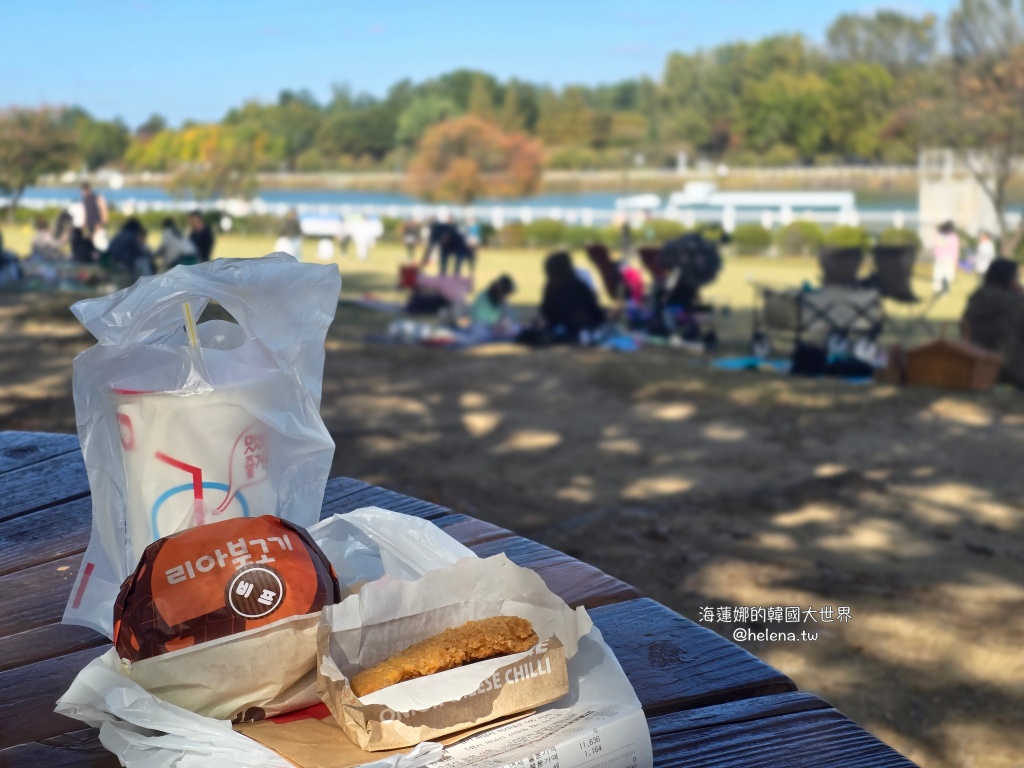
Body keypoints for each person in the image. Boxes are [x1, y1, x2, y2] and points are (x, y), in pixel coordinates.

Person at [962, 258, 1024, 385]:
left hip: (974, 361)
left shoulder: (977, 297)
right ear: (1010, 279)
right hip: (1012, 366)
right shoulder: (1016, 302)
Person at [538, 251, 605, 343]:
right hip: (581, 331)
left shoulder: (551, 288)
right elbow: (594, 311)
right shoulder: (578, 286)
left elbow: (547, 312)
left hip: (564, 331)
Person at [932, 220, 960, 294]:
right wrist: (955, 261)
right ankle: (945, 291)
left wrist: (936, 254)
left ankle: (939, 289)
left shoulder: (939, 235)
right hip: (949, 258)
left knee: (939, 274)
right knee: (947, 275)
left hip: (940, 258)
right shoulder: (953, 237)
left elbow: (936, 247)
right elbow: (955, 250)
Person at [81, 182, 109, 251]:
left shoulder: (97, 198)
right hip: (90, 224)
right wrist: (84, 223)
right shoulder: (85, 199)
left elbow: (103, 210)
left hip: (98, 224)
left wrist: (102, 223)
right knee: (91, 242)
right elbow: (86, 212)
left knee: (100, 242)